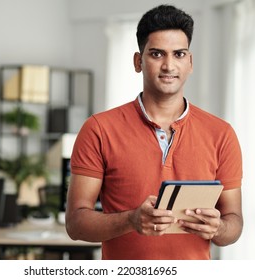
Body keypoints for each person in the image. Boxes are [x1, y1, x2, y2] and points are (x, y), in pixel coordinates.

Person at [65, 4, 243, 260]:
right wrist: (131, 220)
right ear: (138, 61)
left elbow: (234, 223)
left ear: (190, 62)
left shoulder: (221, 134)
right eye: (157, 54)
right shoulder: (99, 129)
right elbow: (75, 223)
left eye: (179, 54)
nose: (169, 66)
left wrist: (220, 228)